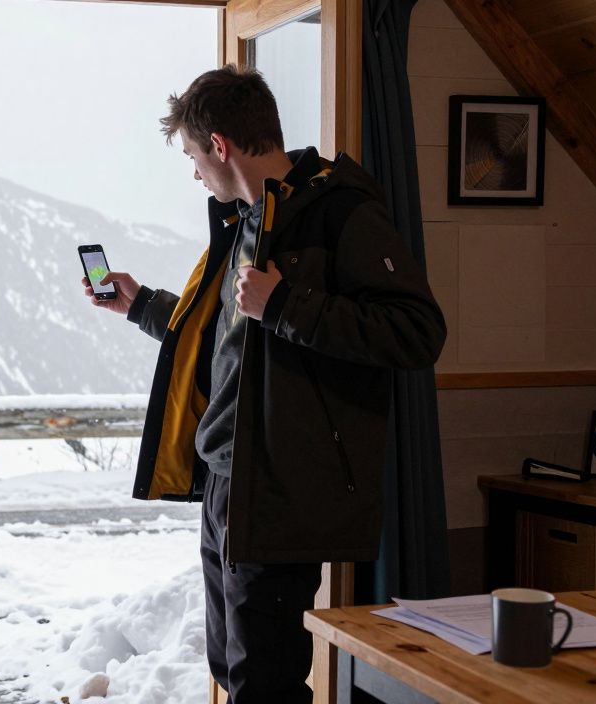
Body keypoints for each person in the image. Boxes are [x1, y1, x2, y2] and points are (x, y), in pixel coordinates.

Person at [81, 65, 445, 703]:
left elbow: (416, 331)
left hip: (283, 489)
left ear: (219, 145)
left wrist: (285, 305)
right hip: (226, 481)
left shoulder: (339, 210)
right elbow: (228, 338)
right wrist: (141, 306)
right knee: (232, 668)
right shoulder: (247, 219)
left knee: (265, 683)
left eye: (194, 156)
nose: (195, 173)